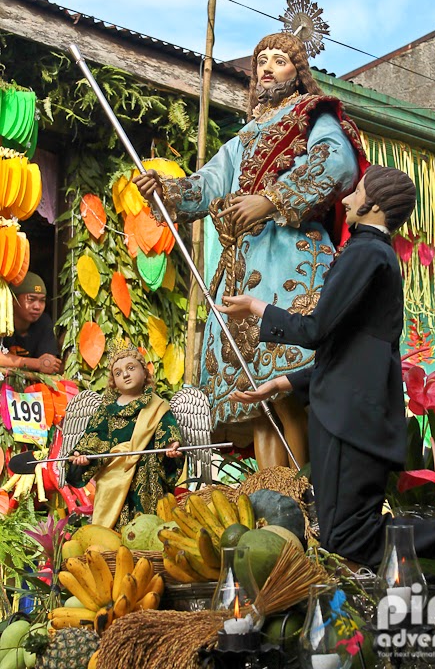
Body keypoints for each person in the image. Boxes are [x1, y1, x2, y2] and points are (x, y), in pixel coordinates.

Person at [134, 32, 368, 469]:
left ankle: (303, 489)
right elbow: (205, 186)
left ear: (299, 73)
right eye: (262, 60)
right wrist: (163, 190)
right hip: (245, 267)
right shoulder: (243, 139)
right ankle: (270, 488)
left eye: (280, 60)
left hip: (290, 259)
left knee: (285, 385)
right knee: (254, 394)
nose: (267, 67)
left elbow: (337, 163)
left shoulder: (311, 115)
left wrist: (271, 199)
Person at [217, 165, 435, 569]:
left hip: (351, 421)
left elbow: (315, 329)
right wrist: (281, 382)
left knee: (347, 535)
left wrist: (256, 306)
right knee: (341, 535)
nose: (346, 200)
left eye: (357, 192)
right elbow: (352, 352)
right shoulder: (376, 256)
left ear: (376, 206)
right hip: (354, 417)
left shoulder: (366, 252)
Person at [66, 343, 183, 529]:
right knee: (113, 529)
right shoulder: (106, 410)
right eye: (118, 373)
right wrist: (83, 455)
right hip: (113, 477)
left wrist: (170, 446)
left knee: (147, 525)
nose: (125, 375)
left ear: (144, 373)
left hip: (147, 476)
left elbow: (167, 428)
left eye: (131, 368)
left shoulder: (157, 405)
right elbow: (95, 435)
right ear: (113, 381)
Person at [0, 272, 62, 374]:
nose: (37, 306)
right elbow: (40, 364)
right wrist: (35, 363)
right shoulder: (2, 320)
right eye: (31, 299)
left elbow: (49, 363)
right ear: (13, 300)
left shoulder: (44, 321)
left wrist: (47, 363)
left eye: (42, 300)